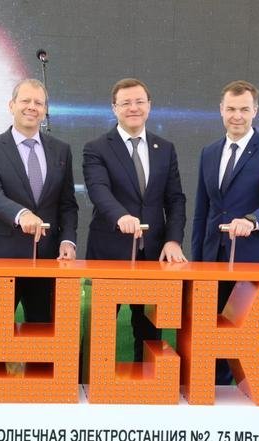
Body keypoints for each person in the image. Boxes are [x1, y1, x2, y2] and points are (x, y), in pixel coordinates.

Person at [0, 78, 78, 382]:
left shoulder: (61, 150)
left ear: (45, 110)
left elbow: (67, 203)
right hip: (2, 257)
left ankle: (40, 392)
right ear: (12, 105)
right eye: (26, 101)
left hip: (48, 258)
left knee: (43, 329)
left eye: (38, 103)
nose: (32, 107)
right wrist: (21, 214)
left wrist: (68, 240)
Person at [191, 80, 259, 385]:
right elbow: (202, 212)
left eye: (244, 109)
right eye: (231, 109)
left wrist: (252, 220)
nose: (237, 116)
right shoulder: (209, 152)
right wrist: (197, 262)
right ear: (221, 110)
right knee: (213, 332)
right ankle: (216, 394)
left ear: (255, 111)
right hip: (213, 260)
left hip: (254, 260)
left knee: (255, 334)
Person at [83, 78, 187, 362]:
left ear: (149, 106)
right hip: (109, 253)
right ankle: (90, 384)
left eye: (139, 102)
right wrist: (121, 216)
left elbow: (175, 199)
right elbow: (98, 190)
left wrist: (173, 240)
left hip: (153, 254)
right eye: (126, 103)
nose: (133, 108)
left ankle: (149, 383)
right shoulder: (96, 148)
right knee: (99, 333)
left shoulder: (165, 148)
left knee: (150, 332)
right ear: (114, 108)